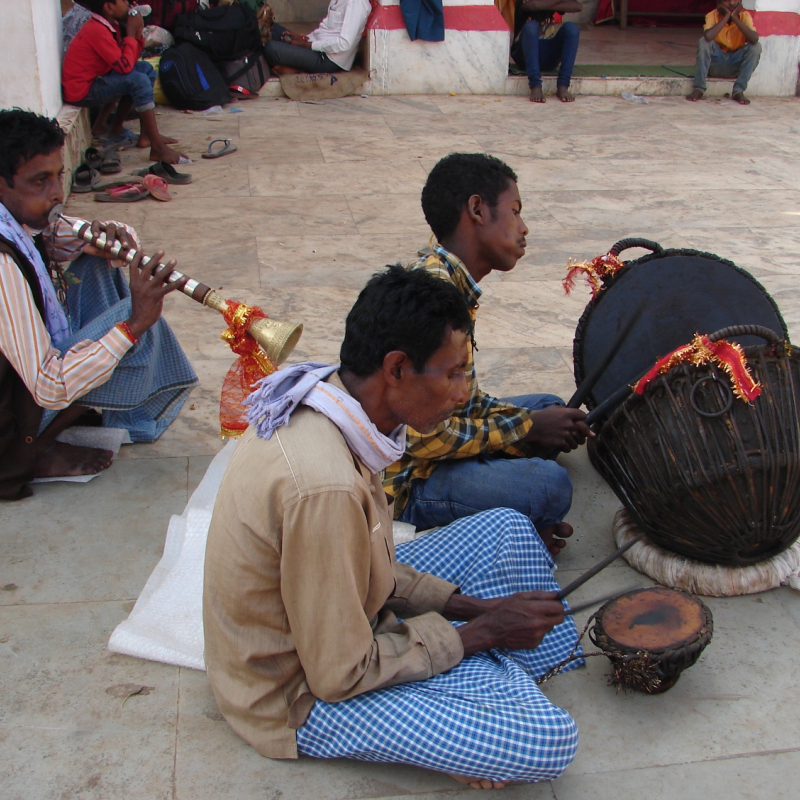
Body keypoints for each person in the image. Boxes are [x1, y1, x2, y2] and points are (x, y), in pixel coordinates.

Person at [204, 265, 582, 788]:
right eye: (451, 374)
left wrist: (474, 609)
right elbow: (339, 674)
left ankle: (473, 682)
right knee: (546, 740)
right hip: (296, 694)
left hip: (340, 611)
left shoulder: (333, 399)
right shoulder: (325, 488)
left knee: (508, 529)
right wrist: (479, 634)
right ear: (397, 368)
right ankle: (479, 688)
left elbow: (366, 558)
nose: (460, 393)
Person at [383, 153, 591, 542]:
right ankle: (474, 526)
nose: (524, 228)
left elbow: (465, 401)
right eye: (515, 212)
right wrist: (523, 429)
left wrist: (529, 424)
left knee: (550, 407)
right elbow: (424, 437)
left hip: (431, 441)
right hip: (408, 479)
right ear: (477, 209)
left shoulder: (448, 281)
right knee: (548, 485)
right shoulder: (434, 296)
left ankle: (495, 489)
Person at [0, 109, 198, 500]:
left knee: (97, 263)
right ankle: (28, 448)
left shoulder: (17, 219)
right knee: (137, 320)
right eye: (40, 181)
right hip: (11, 415)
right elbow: (49, 386)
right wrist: (133, 325)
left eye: (59, 175)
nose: (57, 192)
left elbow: (55, 239)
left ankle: (93, 414)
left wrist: (113, 237)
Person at [62, 0, 185, 163]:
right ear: (109, 7)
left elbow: (130, 61)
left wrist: (136, 34)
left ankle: (141, 134)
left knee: (145, 70)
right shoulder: (97, 30)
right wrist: (130, 33)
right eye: (123, 1)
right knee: (138, 80)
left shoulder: (110, 25)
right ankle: (157, 148)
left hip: (96, 79)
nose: (129, 4)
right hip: (81, 91)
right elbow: (124, 67)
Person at [263, 0, 371, 75]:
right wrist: (305, 39)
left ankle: (297, 70)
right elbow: (325, 29)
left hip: (328, 59)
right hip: (318, 48)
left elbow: (344, 43)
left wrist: (308, 45)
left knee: (271, 48)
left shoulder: (356, 3)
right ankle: (293, 65)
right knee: (273, 29)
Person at [686, 0, 761, 105]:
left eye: (735, 0)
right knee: (703, 42)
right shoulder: (712, 15)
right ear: (718, 3)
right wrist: (726, 17)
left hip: (734, 65)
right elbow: (708, 36)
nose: (731, 3)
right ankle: (699, 88)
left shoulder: (745, 16)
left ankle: (738, 90)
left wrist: (735, 17)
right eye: (726, 0)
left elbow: (754, 39)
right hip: (715, 64)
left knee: (756, 47)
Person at [511, 0, 582, 103]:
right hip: (525, 56)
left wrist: (547, 3)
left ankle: (563, 85)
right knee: (531, 26)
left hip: (548, 55)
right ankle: (535, 85)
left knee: (572, 28)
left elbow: (578, 6)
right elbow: (533, 5)